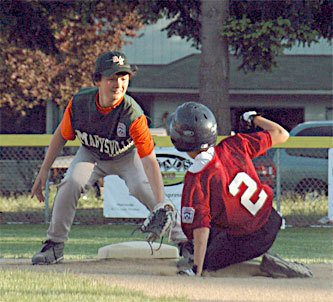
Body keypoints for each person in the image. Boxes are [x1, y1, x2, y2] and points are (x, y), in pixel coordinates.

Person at [31, 51, 178, 265]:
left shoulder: (133, 114)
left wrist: (162, 202)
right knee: (71, 182)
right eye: (111, 78)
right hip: (91, 154)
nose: (118, 84)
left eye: (123, 78)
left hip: (127, 157)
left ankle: (187, 243)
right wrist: (45, 169)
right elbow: (61, 135)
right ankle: (54, 245)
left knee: (143, 188)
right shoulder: (81, 103)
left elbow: (149, 160)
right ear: (97, 80)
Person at [169, 102, 312, 278]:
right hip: (271, 219)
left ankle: (269, 267)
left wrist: (196, 269)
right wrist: (254, 118)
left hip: (250, 237)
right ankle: (196, 252)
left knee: (206, 263)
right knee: (212, 236)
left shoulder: (197, 175)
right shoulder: (234, 144)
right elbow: (282, 134)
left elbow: (201, 227)